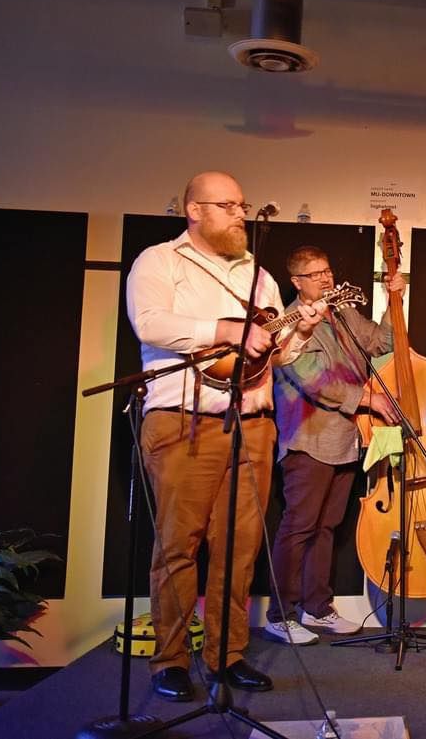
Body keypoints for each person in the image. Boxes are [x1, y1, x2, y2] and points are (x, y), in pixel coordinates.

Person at [126, 171, 322, 702]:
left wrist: (297, 333)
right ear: (194, 209)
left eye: (242, 204)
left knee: (239, 549)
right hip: (186, 422)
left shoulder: (258, 277)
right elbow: (149, 323)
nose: (240, 213)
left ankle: (226, 655)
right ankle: (170, 661)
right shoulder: (160, 261)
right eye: (227, 205)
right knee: (178, 547)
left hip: (253, 424)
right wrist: (224, 329)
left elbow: (271, 355)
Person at [264, 245, 405, 645]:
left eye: (327, 271)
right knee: (299, 526)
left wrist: (396, 301)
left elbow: (380, 342)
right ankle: (281, 614)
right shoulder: (289, 325)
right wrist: (370, 399)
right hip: (308, 440)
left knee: (326, 527)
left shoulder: (342, 312)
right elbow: (312, 379)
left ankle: (318, 608)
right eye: (315, 274)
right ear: (296, 282)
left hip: (345, 438)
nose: (326, 279)